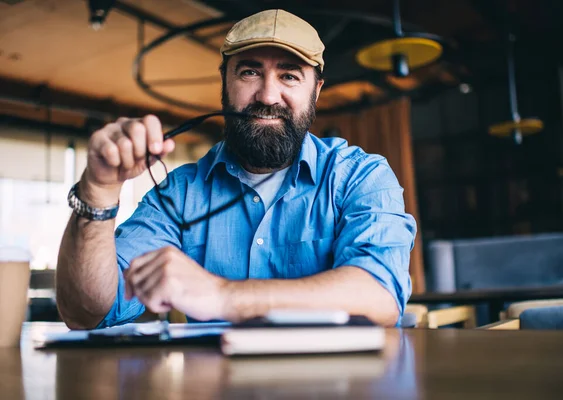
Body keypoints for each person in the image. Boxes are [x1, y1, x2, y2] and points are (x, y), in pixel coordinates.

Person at [56, 9, 417, 330]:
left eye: (289, 76)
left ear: (316, 91)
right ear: (225, 83)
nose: (268, 95)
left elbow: (379, 294)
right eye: (249, 72)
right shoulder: (180, 195)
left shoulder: (360, 176)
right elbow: (87, 311)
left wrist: (223, 294)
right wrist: (98, 190)